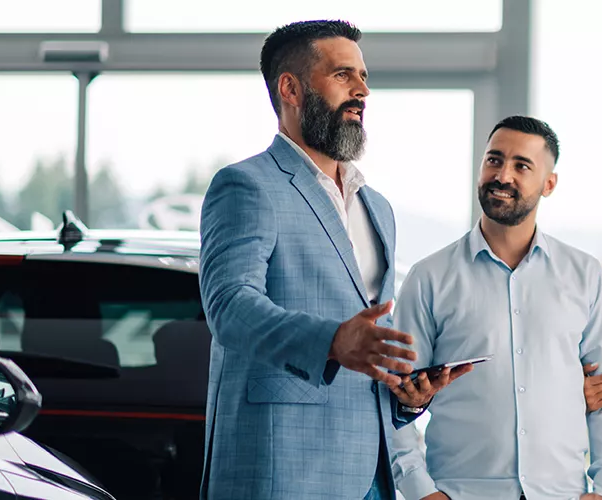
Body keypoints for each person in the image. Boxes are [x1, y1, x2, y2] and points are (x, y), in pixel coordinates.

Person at [197, 20, 466, 500]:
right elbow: (230, 308)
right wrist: (331, 340)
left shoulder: (376, 206)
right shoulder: (247, 186)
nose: (363, 91)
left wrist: (407, 396)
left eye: (363, 77)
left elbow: (367, 346)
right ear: (291, 88)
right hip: (285, 471)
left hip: (374, 473)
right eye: (344, 75)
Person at [388, 116, 602, 500]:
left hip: (562, 493)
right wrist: (420, 491)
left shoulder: (584, 274)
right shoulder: (429, 277)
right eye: (494, 160)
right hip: (460, 492)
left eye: (522, 166)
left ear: (549, 184)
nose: (503, 175)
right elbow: (394, 394)